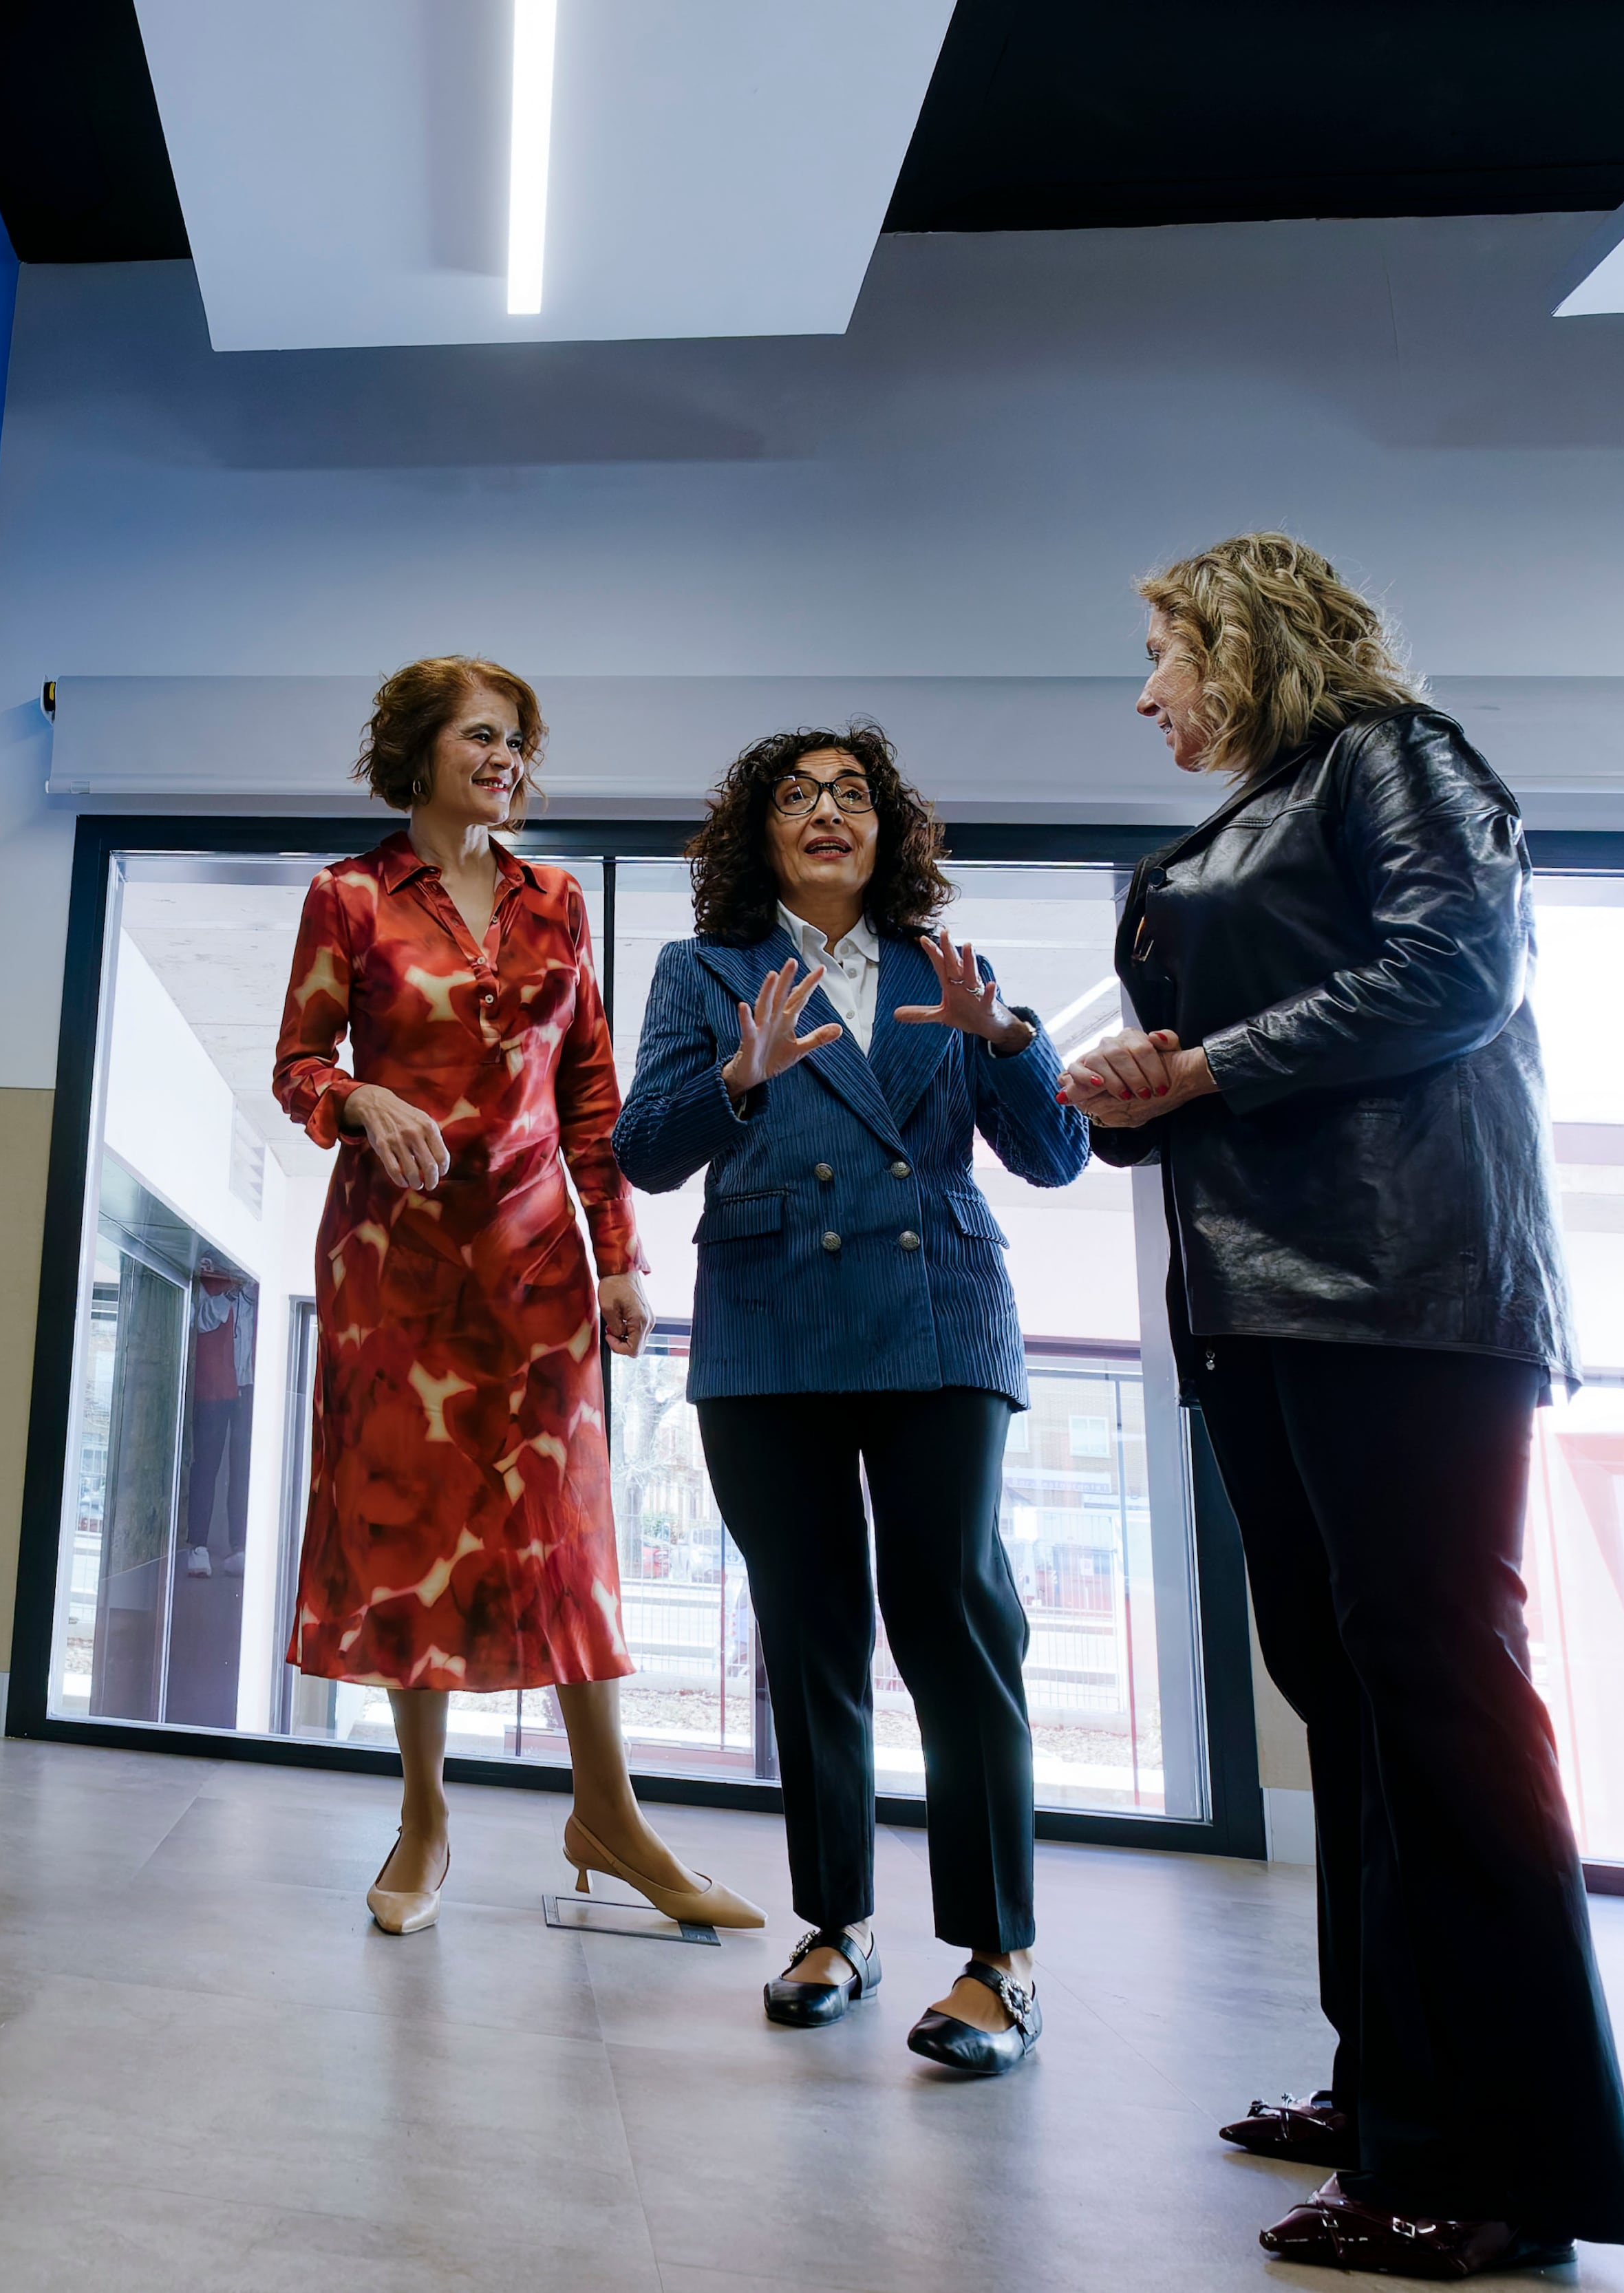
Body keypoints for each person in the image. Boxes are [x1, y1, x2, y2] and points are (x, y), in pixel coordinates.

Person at [1062, 533, 1624, 2274]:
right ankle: (1391, 2081)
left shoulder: (1397, 756)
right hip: (1266, 1303)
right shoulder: (1258, 813)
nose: (1147, 691)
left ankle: (1488, 2165)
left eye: (1161, 654)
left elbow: (1456, 973)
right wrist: (1128, 1098)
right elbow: (1221, 1061)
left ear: (1242, 644)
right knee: (1351, 1701)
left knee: (1435, 1702)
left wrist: (1206, 1067)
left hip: (1404, 1293)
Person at [614, 723, 1087, 2076]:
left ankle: (1001, 1961)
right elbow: (644, 1153)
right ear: (754, 831)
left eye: (852, 793)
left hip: (937, 1316)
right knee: (809, 1634)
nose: (825, 811)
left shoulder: (959, 971)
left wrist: (1009, 1042)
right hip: (768, 1328)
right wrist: (734, 1080)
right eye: (794, 794)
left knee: (954, 1619)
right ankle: (836, 1927)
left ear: (889, 829)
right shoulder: (701, 970)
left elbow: (1053, 1156)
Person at [273, 655, 760, 1939]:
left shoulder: (558, 902)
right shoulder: (349, 898)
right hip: (394, 1264)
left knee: (562, 1531)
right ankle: (425, 1819)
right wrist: (357, 1097)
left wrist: (619, 1257)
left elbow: (589, 1098)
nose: (508, 761)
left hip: (540, 1260)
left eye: (520, 744)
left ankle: (612, 1812)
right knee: (406, 1523)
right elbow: (296, 1064)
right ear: (421, 750)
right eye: (485, 737)